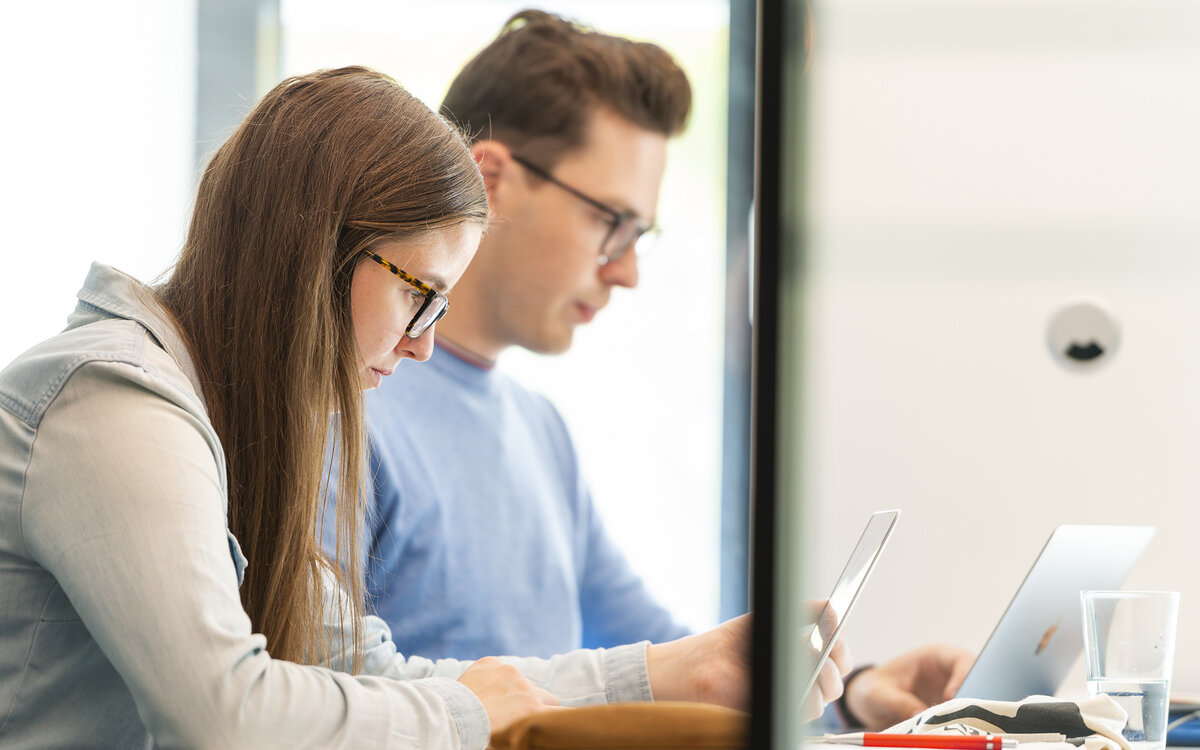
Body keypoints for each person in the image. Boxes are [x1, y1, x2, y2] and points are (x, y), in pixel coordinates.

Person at [0, 65, 766, 749]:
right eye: (418, 296)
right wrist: (468, 716)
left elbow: (375, 675)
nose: (422, 345)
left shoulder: (239, 424)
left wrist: (673, 671)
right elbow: (225, 715)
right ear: (312, 246)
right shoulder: (116, 404)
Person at [324, 10, 973, 732]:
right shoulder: (340, 411)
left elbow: (675, 664)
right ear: (492, 182)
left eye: (640, 236)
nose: (628, 272)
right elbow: (327, 696)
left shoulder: (539, 431)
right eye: (613, 224)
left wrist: (854, 694)